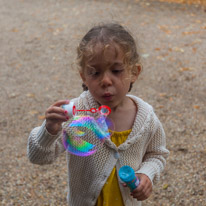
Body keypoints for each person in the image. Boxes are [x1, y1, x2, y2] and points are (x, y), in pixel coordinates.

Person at [27, 23, 169, 206]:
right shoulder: (74, 114)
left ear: (134, 72)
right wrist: (49, 130)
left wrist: (147, 174)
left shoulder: (146, 118)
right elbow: (37, 157)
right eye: (95, 73)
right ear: (83, 77)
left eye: (116, 71)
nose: (106, 80)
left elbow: (157, 154)